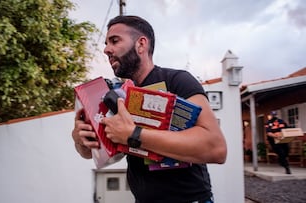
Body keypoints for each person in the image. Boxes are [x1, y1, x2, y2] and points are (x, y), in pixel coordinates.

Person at [72, 15, 227, 203]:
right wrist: (80, 140)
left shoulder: (177, 80)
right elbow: (98, 154)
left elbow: (216, 148)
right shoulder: (118, 95)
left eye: (114, 41)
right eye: (106, 43)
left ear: (141, 44)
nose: (106, 50)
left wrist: (134, 135)